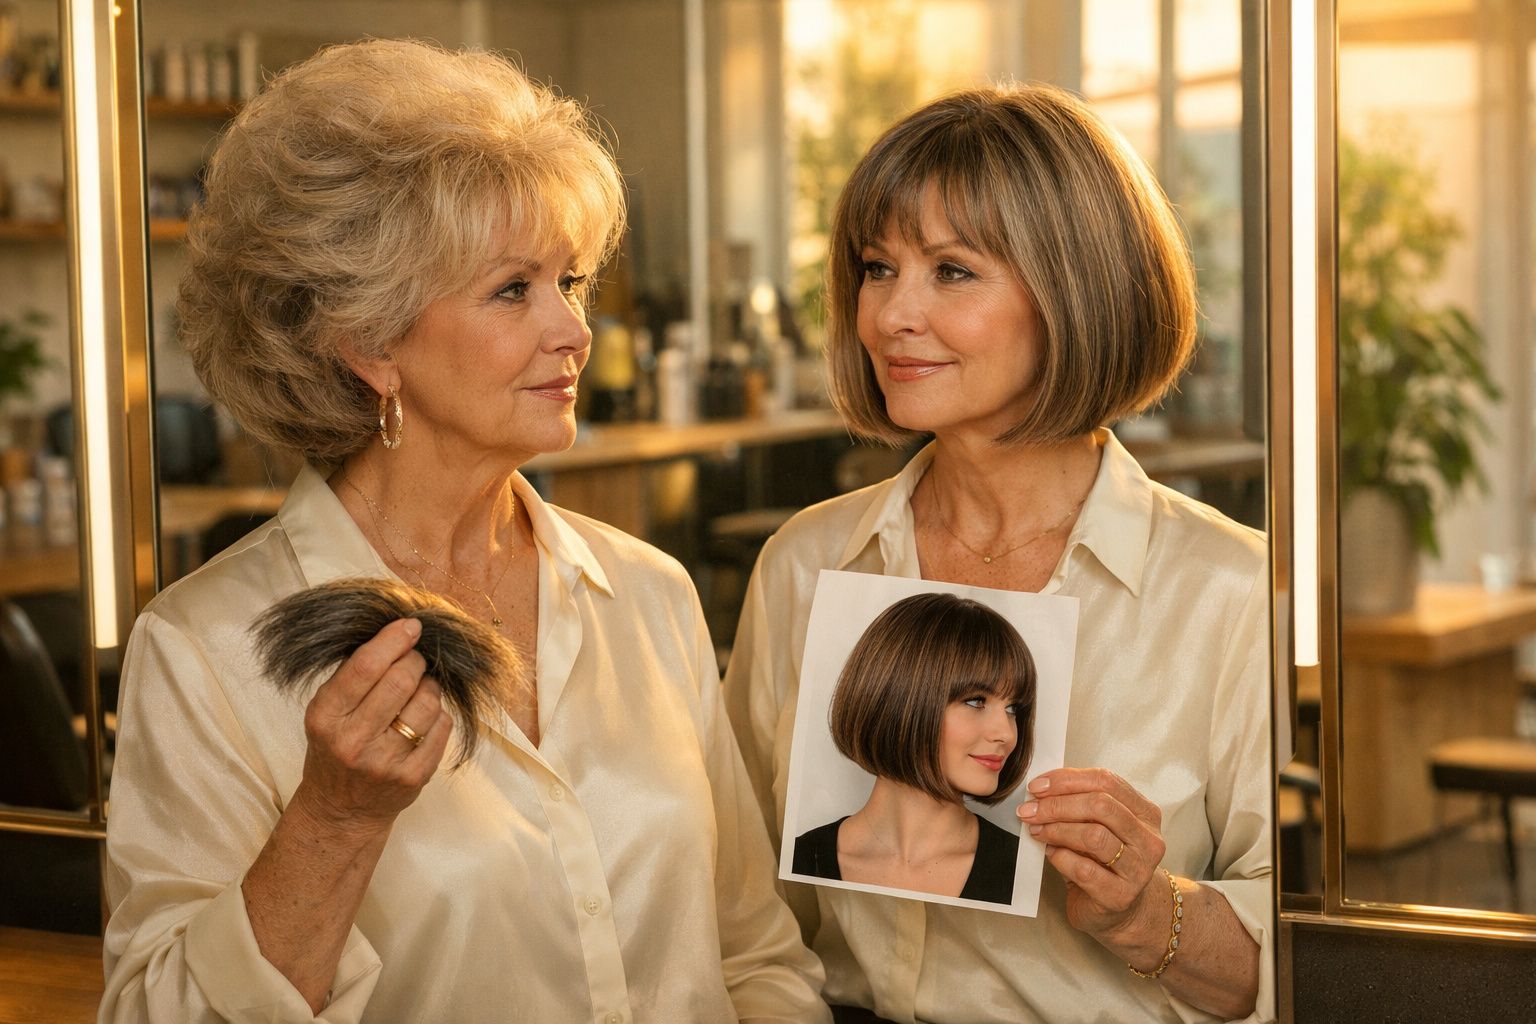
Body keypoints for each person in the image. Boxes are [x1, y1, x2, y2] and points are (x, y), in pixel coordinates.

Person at [99, 39, 827, 1024]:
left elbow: (756, 954)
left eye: (570, 282)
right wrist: (332, 823)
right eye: (513, 289)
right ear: (369, 340)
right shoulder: (204, 652)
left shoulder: (647, 593)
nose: (575, 330)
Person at [724, 84, 1272, 1024]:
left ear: (1076, 291)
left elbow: (1289, 972)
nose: (892, 315)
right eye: (876, 267)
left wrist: (1149, 913)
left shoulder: (1232, 591)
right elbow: (744, 918)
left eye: (951, 272)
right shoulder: (807, 566)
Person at [790, 592, 1035, 907]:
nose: (1006, 734)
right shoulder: (801, 859)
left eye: (1013, 708)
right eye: (976, 701)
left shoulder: (1024, 874)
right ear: (900, 698)